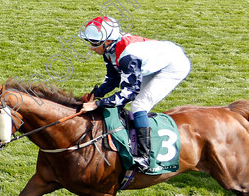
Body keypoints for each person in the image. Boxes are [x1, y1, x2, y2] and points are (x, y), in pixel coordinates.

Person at [78, 16, 191, 171]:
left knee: (139, 104)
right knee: (135, 103)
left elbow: (127, 93)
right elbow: (113, 79)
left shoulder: (127, 55)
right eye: (89, 41)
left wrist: (97, 104)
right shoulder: (110, 48)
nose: (91, 47)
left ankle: (145, 157)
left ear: (108, 41)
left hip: (173, 65)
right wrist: (96, 94)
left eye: (95, 43)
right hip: (152, 63)